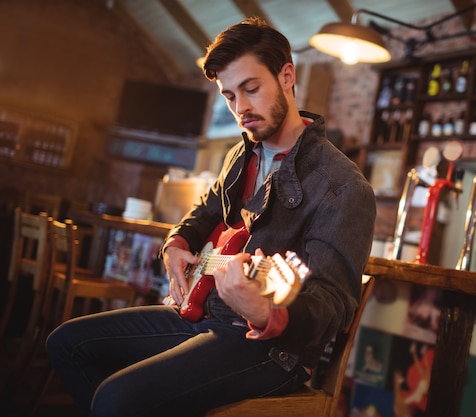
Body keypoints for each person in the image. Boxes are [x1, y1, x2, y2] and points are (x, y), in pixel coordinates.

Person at [46, 17, 376, 417]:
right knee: (66, 343)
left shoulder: (343, 186)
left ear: (287, 76)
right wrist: (177, 245)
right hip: (206, 314)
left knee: (117, 399)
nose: (241, 108)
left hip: (271, 350)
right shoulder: (241, 154)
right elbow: (204, 211)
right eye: (229, 96)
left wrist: (266, 311)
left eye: (251, 89)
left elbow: (334, 303)